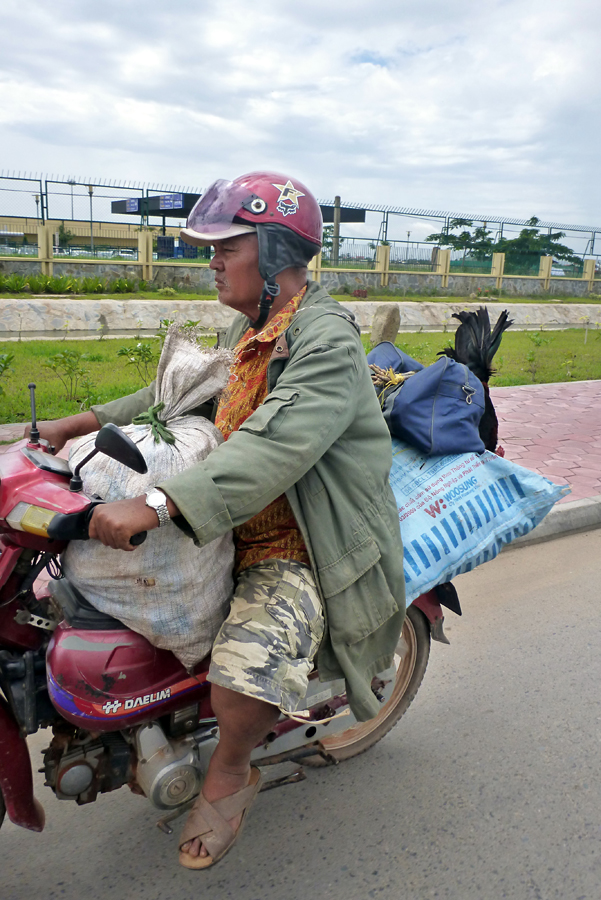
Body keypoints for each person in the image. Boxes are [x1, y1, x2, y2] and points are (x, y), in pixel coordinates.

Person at [33, 171, 406, 869]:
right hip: (231, 515)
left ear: (269, 253)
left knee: (240, 670)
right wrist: (79, 422)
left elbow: (274, 446)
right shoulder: (251, 323)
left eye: (222, 248)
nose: (210, 262)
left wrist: (153, 504)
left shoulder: (323, 340)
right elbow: (180, 391)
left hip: (296, 538)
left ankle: (232, 770)